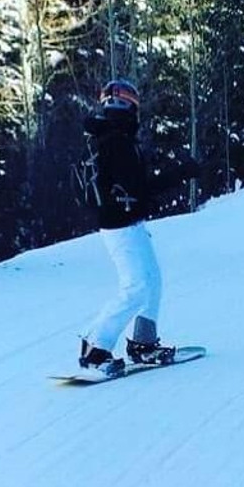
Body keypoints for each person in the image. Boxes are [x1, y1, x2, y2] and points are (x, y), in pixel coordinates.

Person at [78, 78, 199, 376]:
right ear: (130, 105)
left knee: (152, 280)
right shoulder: (116, 141)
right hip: (119, 225)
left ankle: (143, 342)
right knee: (136, 287)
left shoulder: (113, 137)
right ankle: (95, 347)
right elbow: (139, 188)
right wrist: (181, 173)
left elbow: (134, 186)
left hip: (126, 222)